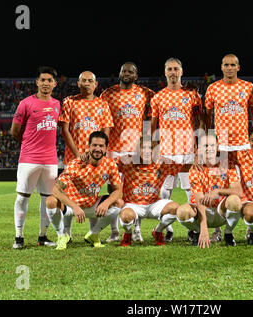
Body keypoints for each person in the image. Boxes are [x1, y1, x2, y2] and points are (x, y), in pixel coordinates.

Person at [204, 53, 253, 242]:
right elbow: (207, 116)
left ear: (238, 67)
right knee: (220, 186)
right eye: (226, 64)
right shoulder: (213, 89)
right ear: (221, 67)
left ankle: (251, 226)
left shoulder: (248, 87)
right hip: (223, 146)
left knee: (248, 185)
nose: (229, 67)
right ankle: (218, 228)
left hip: (243, 145)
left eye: (232, 64)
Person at [100, 62, 155, 243]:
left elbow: (160, 101)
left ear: (136, 76)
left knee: (133, 191)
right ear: (119, 73)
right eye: (124, 70)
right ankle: (115, 230)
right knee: (113, 189)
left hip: (135, 149)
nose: (126, 73)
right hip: (113, 149)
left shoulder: (144, 93)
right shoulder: (108, 94)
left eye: (130, 72)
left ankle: (136, 228)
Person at [150, 57, 204, 242]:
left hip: (188, 151)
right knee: (166, 192)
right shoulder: (158, 97)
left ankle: (192, 228)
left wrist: (200, 147)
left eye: (175, 69)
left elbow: (201, 122)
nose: (172, 72)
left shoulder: (192, 95)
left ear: (181, 72)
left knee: (192, 190)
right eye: (169, 69)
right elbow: (154, 126)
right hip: (166, 152)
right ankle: (167, 228)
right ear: (165, 72)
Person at [58, 71, 114, 240]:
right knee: (68, 194)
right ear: (78, 83)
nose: (87, 83)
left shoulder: (103, 104)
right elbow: (65, 130)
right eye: (84, 81)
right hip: (74, 158)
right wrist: (78, 155)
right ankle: (66, 233)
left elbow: (106, 131)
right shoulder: (69, 102)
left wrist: (98, 154)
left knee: (92, 193)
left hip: (95, 158)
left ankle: (93, 233)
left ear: (96, 85)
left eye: (90, 81)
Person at [45, 131, 123, 250]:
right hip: (71, 207)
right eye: (94, 145)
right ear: (89, 147)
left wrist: (106, 203)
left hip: (92, 205)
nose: (97, 149)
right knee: (50, 201)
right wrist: (74, 207)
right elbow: (56, 189)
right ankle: (62, 236)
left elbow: (118, 190)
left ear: (106, 148)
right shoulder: (76, 164)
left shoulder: (110, 165)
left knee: (119, 202)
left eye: (101, 146)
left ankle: (94, 234)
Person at [10, 66, 60, 249]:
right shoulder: (25, 103)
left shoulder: (57, 104)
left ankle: (43, 236)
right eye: (43, 80)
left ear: (54, 84)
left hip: (50, 160)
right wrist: (29, 144)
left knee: (47, 200)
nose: (46, 83)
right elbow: (14, 131)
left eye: (49, 80)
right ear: (37, 82)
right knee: (22, 198)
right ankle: (19, 237)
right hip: (29, 158)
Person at [176, 132, 243, 248]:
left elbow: (239, 191)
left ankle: (228, 232)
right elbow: (199, 201)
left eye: (212, 145)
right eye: (205, 146)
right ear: (199, 149)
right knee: (181, 212)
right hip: (202, 212)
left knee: (235, 200)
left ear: (217, 146)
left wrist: (217, 191)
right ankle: (197, 232)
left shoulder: (227, 164)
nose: (209, 149)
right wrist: (204, 229)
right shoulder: (195, 169)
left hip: (221, 211)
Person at [118, 137, 186, 247]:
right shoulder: (127, 162)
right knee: (126, 216)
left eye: (150, 148)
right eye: (143, 148)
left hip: (152, 204)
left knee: (175, 208)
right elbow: (107, 163)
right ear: (137, 150)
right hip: (132, 204)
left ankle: (158, 231)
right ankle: (127, 233)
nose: (146, 151)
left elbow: (182, 167)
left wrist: (196, 161)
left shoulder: (162, 163)